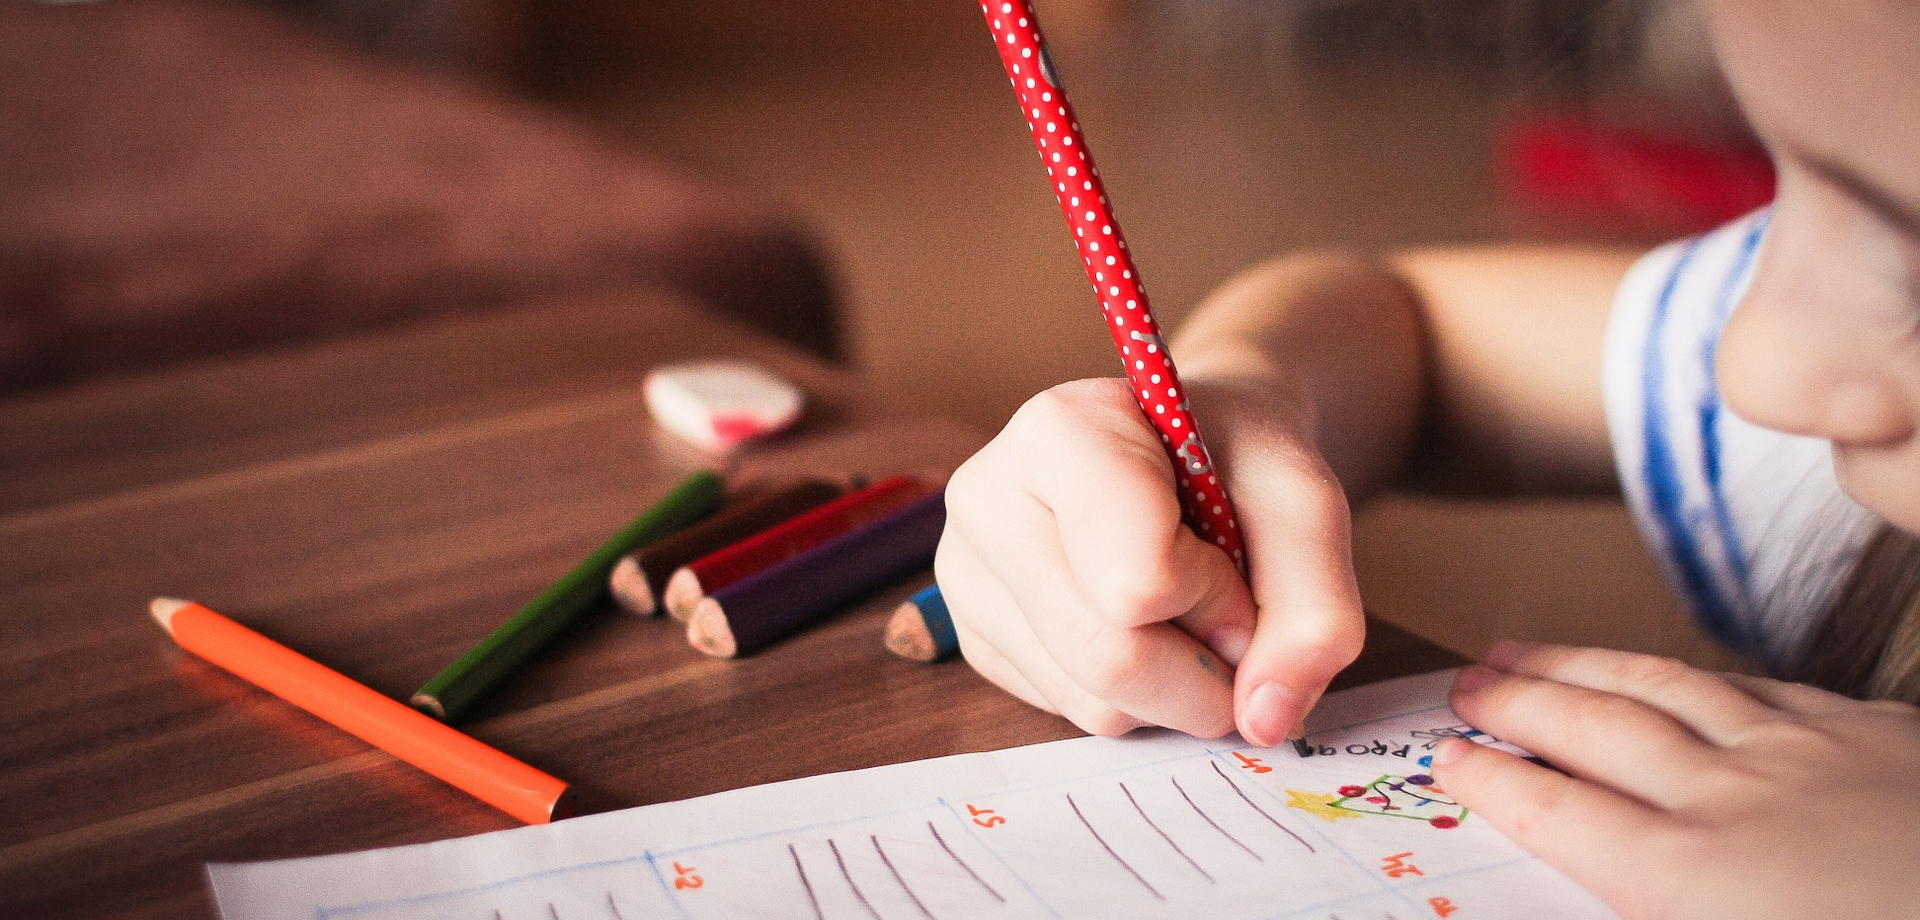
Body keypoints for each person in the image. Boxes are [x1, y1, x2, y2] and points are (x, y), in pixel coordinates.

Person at [933, 1, 1920, 917]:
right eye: (1782, 188)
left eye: (1913, 258)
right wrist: (1249, 397)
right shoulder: (1824, 372)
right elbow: (1413, 328)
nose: (1749, 364)